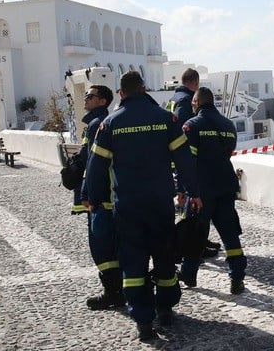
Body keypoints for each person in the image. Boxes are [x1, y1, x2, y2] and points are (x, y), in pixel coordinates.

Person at [86, 71, 202, 340]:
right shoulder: (166, 119)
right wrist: (193, 192)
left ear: (121, 93)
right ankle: (165, 307)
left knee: (133, 263)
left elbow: (96, 169)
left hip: (127, 206)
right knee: (164, 256)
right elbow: (185, 160)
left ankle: (143, 321)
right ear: (144, 89)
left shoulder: (110, 124)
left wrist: (94, 200)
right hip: (160, 204)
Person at [178, 87, 246, 294]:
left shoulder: (191, 126)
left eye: (192, 104)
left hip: (201, 189)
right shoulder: (228, 125)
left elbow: (187, 161)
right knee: (230, 235)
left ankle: (188, 274)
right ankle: (237, 277)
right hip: (226, 184)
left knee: (195, 234)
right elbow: (228, 153)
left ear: (197, 103)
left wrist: (183, 189)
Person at [70, 85, 124, 310]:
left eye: (89, 96)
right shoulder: (98, 123)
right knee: (111, 246)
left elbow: (93, 165)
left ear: (103, 101)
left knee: (102, 247)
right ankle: (117, 290)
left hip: (99, 199)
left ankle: (113, 292)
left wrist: (88, 196)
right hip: (105, 197)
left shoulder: (97, 125)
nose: (85, 98)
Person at [167, 68, 221, 257]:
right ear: (196, 82)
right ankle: (193, 243)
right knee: (193, 203)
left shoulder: (173, 98)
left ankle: (197, 241)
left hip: (174, 157)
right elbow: (186, 130)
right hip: (185, 158)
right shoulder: (185, 100)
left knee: (189, 205)